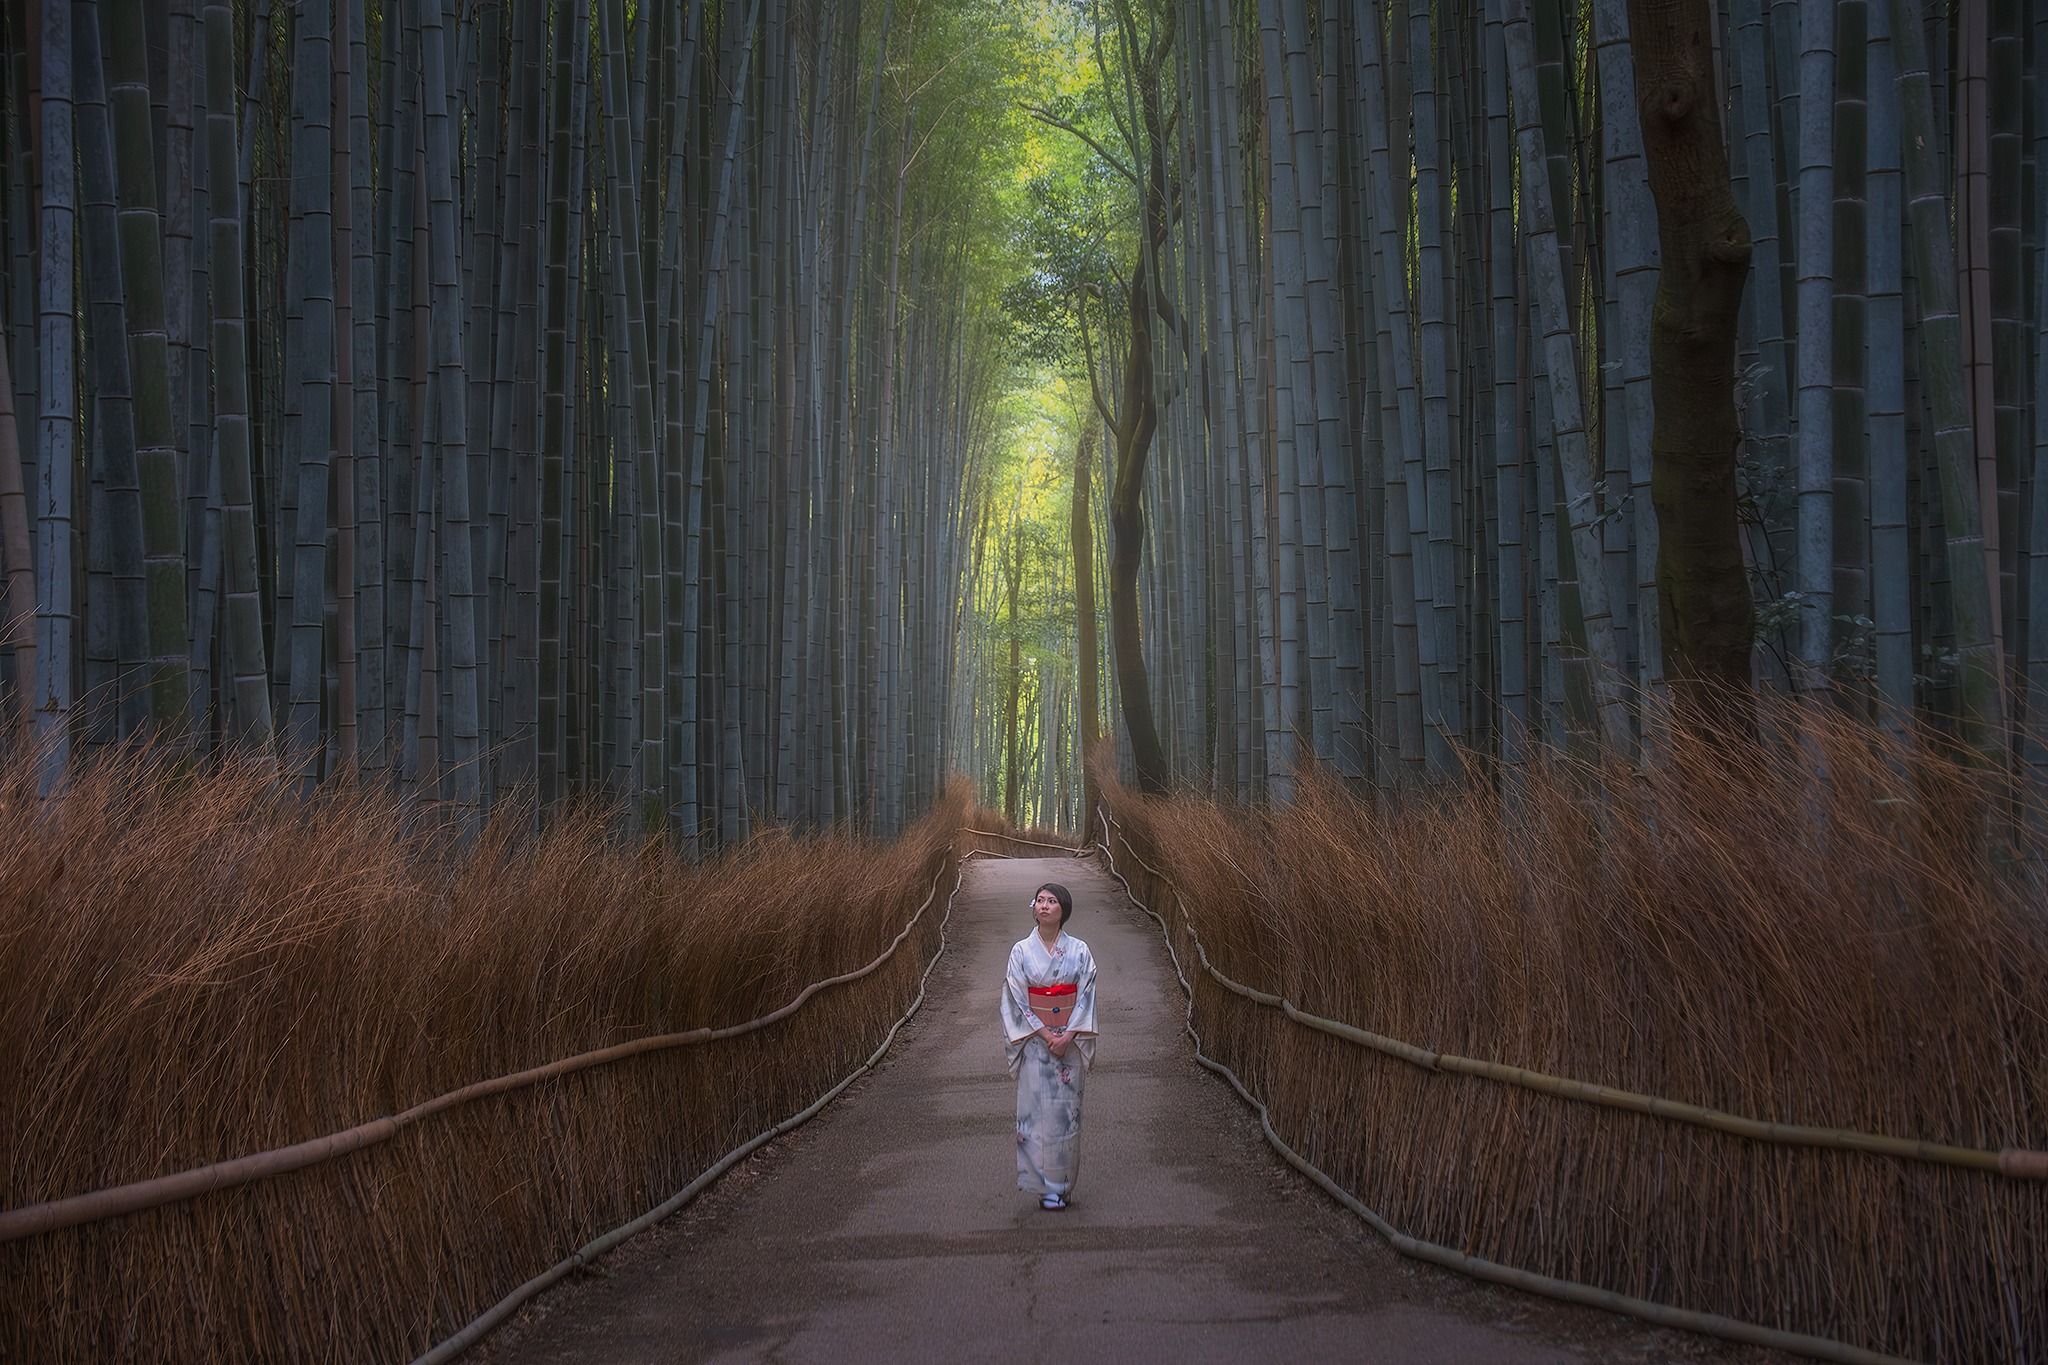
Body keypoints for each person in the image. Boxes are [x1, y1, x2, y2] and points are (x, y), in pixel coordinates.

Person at [1000, 881, 1098, 1210]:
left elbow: (1086, 994)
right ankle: (1044, 1188)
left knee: (1064, 1118)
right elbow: (1015, 998)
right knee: (1035, 1118)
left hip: (1069, 1043)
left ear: (1063, 909)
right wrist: (1045, 1034)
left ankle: (1062, 1185)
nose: (1044, 905)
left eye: (1051, 901)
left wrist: (1068, 1035)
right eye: (1039, 900)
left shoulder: (1080, 951)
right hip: (1035, 1045)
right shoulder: (1020, 951)